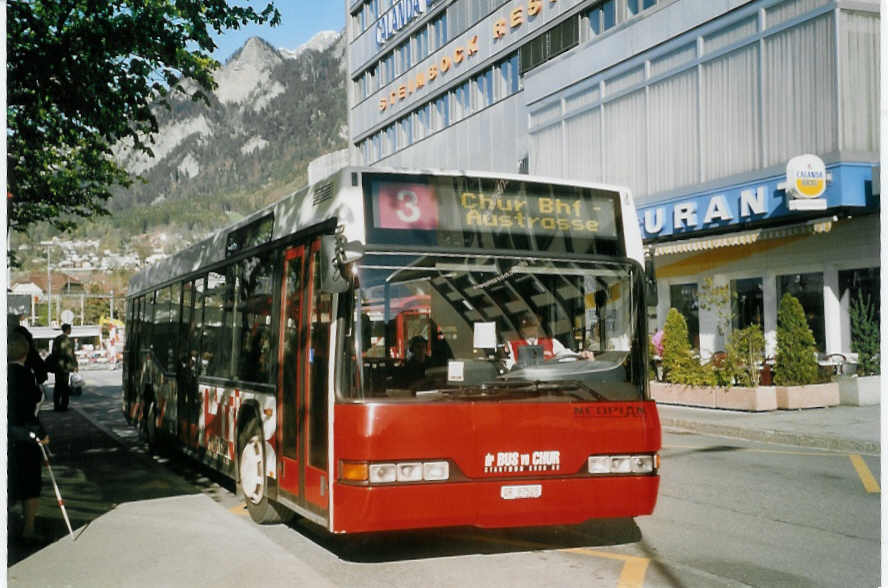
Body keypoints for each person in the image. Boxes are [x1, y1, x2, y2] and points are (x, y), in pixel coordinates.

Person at [8, 330, 50, 542]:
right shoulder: (25, 376)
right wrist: (41, 434)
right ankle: (29, 528)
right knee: (30, 482)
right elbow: (29, 410)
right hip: (23, 436)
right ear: (25, 352)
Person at [507, 313, 593, 368]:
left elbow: (566, 355)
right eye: (527, 324)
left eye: (534, 324)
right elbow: (508, 367)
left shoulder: (552, 343)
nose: (531, 327)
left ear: (538, 325)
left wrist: (581, 355)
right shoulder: (511, 345)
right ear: (521, 328)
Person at [51, 323, 79, 412]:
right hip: (65, 366)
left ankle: (56, 405)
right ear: (67, 329)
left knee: (57, 386)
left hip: (57, 365)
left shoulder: (57, 339)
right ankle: (64, 405)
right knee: (64, 387)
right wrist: (75, 365)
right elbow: (70, 354)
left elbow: (53, 352)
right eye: (70, 329)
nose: (71, 330)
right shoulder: (67, 340)